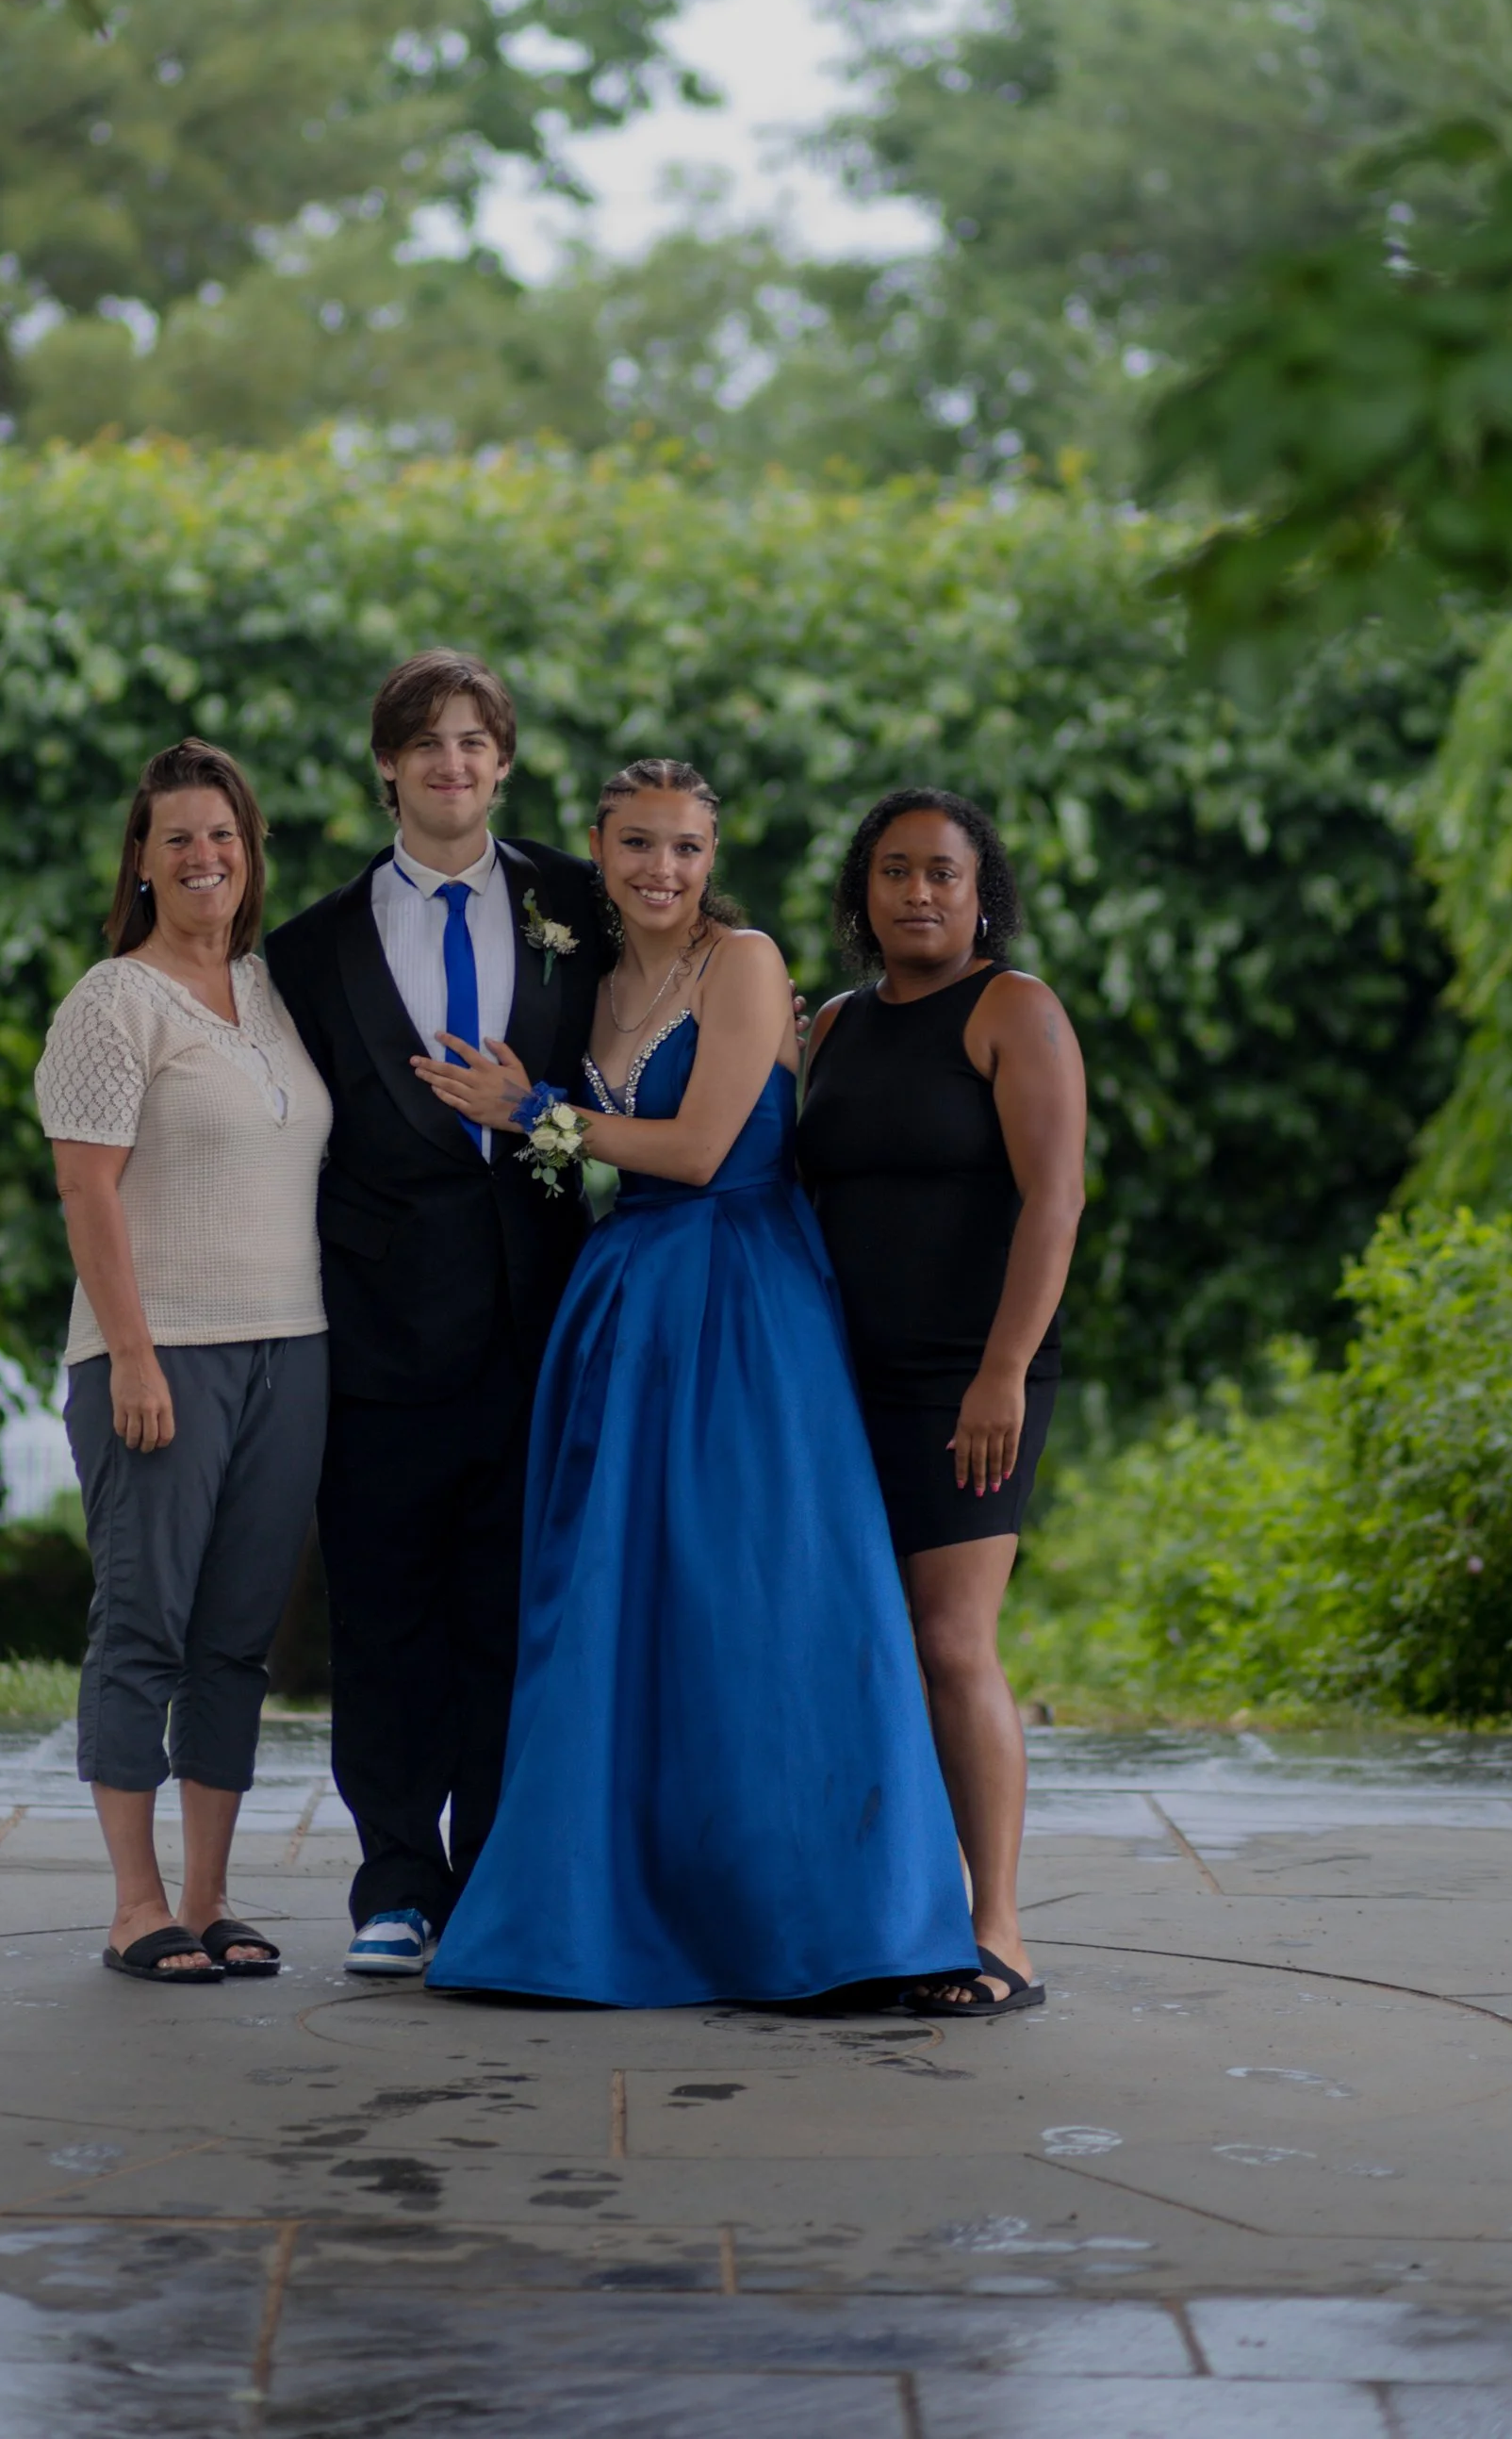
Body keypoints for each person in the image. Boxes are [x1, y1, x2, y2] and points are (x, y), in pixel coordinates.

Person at [415, 759, 980, 2013]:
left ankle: (821, 1923)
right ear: (601, 852)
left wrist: (533, 1110)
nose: (661, 870)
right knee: (619, 1609)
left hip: (744, 1304)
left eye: (684, 847)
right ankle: (601, 1909)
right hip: (625, 1309)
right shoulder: (598, 982)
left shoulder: (748, 962)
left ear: (711, 857)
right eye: (635, 846)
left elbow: (703, 1144)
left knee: (761, 1600)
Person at [264, 651, 603, 1980]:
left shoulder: (580, 905)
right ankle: (395, 1881)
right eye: (426, 743)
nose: (452, 763)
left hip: (545, 1327)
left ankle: (499, 1876)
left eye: (475, 741)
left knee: (513, 1614)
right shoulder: (312, 947)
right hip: (380, 1336)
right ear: (388, 766)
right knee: (389, 1614)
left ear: (503, 762)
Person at [37, 738, 332, 1987]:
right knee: (143, 1625)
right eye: (179, 840)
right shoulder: (114, 1000)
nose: (206, 857)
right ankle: (135, 1900)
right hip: (160, 1358)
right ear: (144, 864)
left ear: (250, 854)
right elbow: (84, 1191)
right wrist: (137, 1354)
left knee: (234, 1637)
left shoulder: (270, 992)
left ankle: (210, 1896)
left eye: (225, 835)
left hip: (292, 1351)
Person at [798, 788, 1087, 2017]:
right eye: (897, 870)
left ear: (983, 892)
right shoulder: (828, 1028)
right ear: (864, 891)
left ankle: (997, 1924)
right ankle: (881, 1909)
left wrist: (1003, 1370)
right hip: (837, 1379)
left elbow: (1054, 1199)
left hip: (971, 1379)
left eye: (945, 873)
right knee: (862, 1648)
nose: (920, 892)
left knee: (953, 1642)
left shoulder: (1013, 1011)